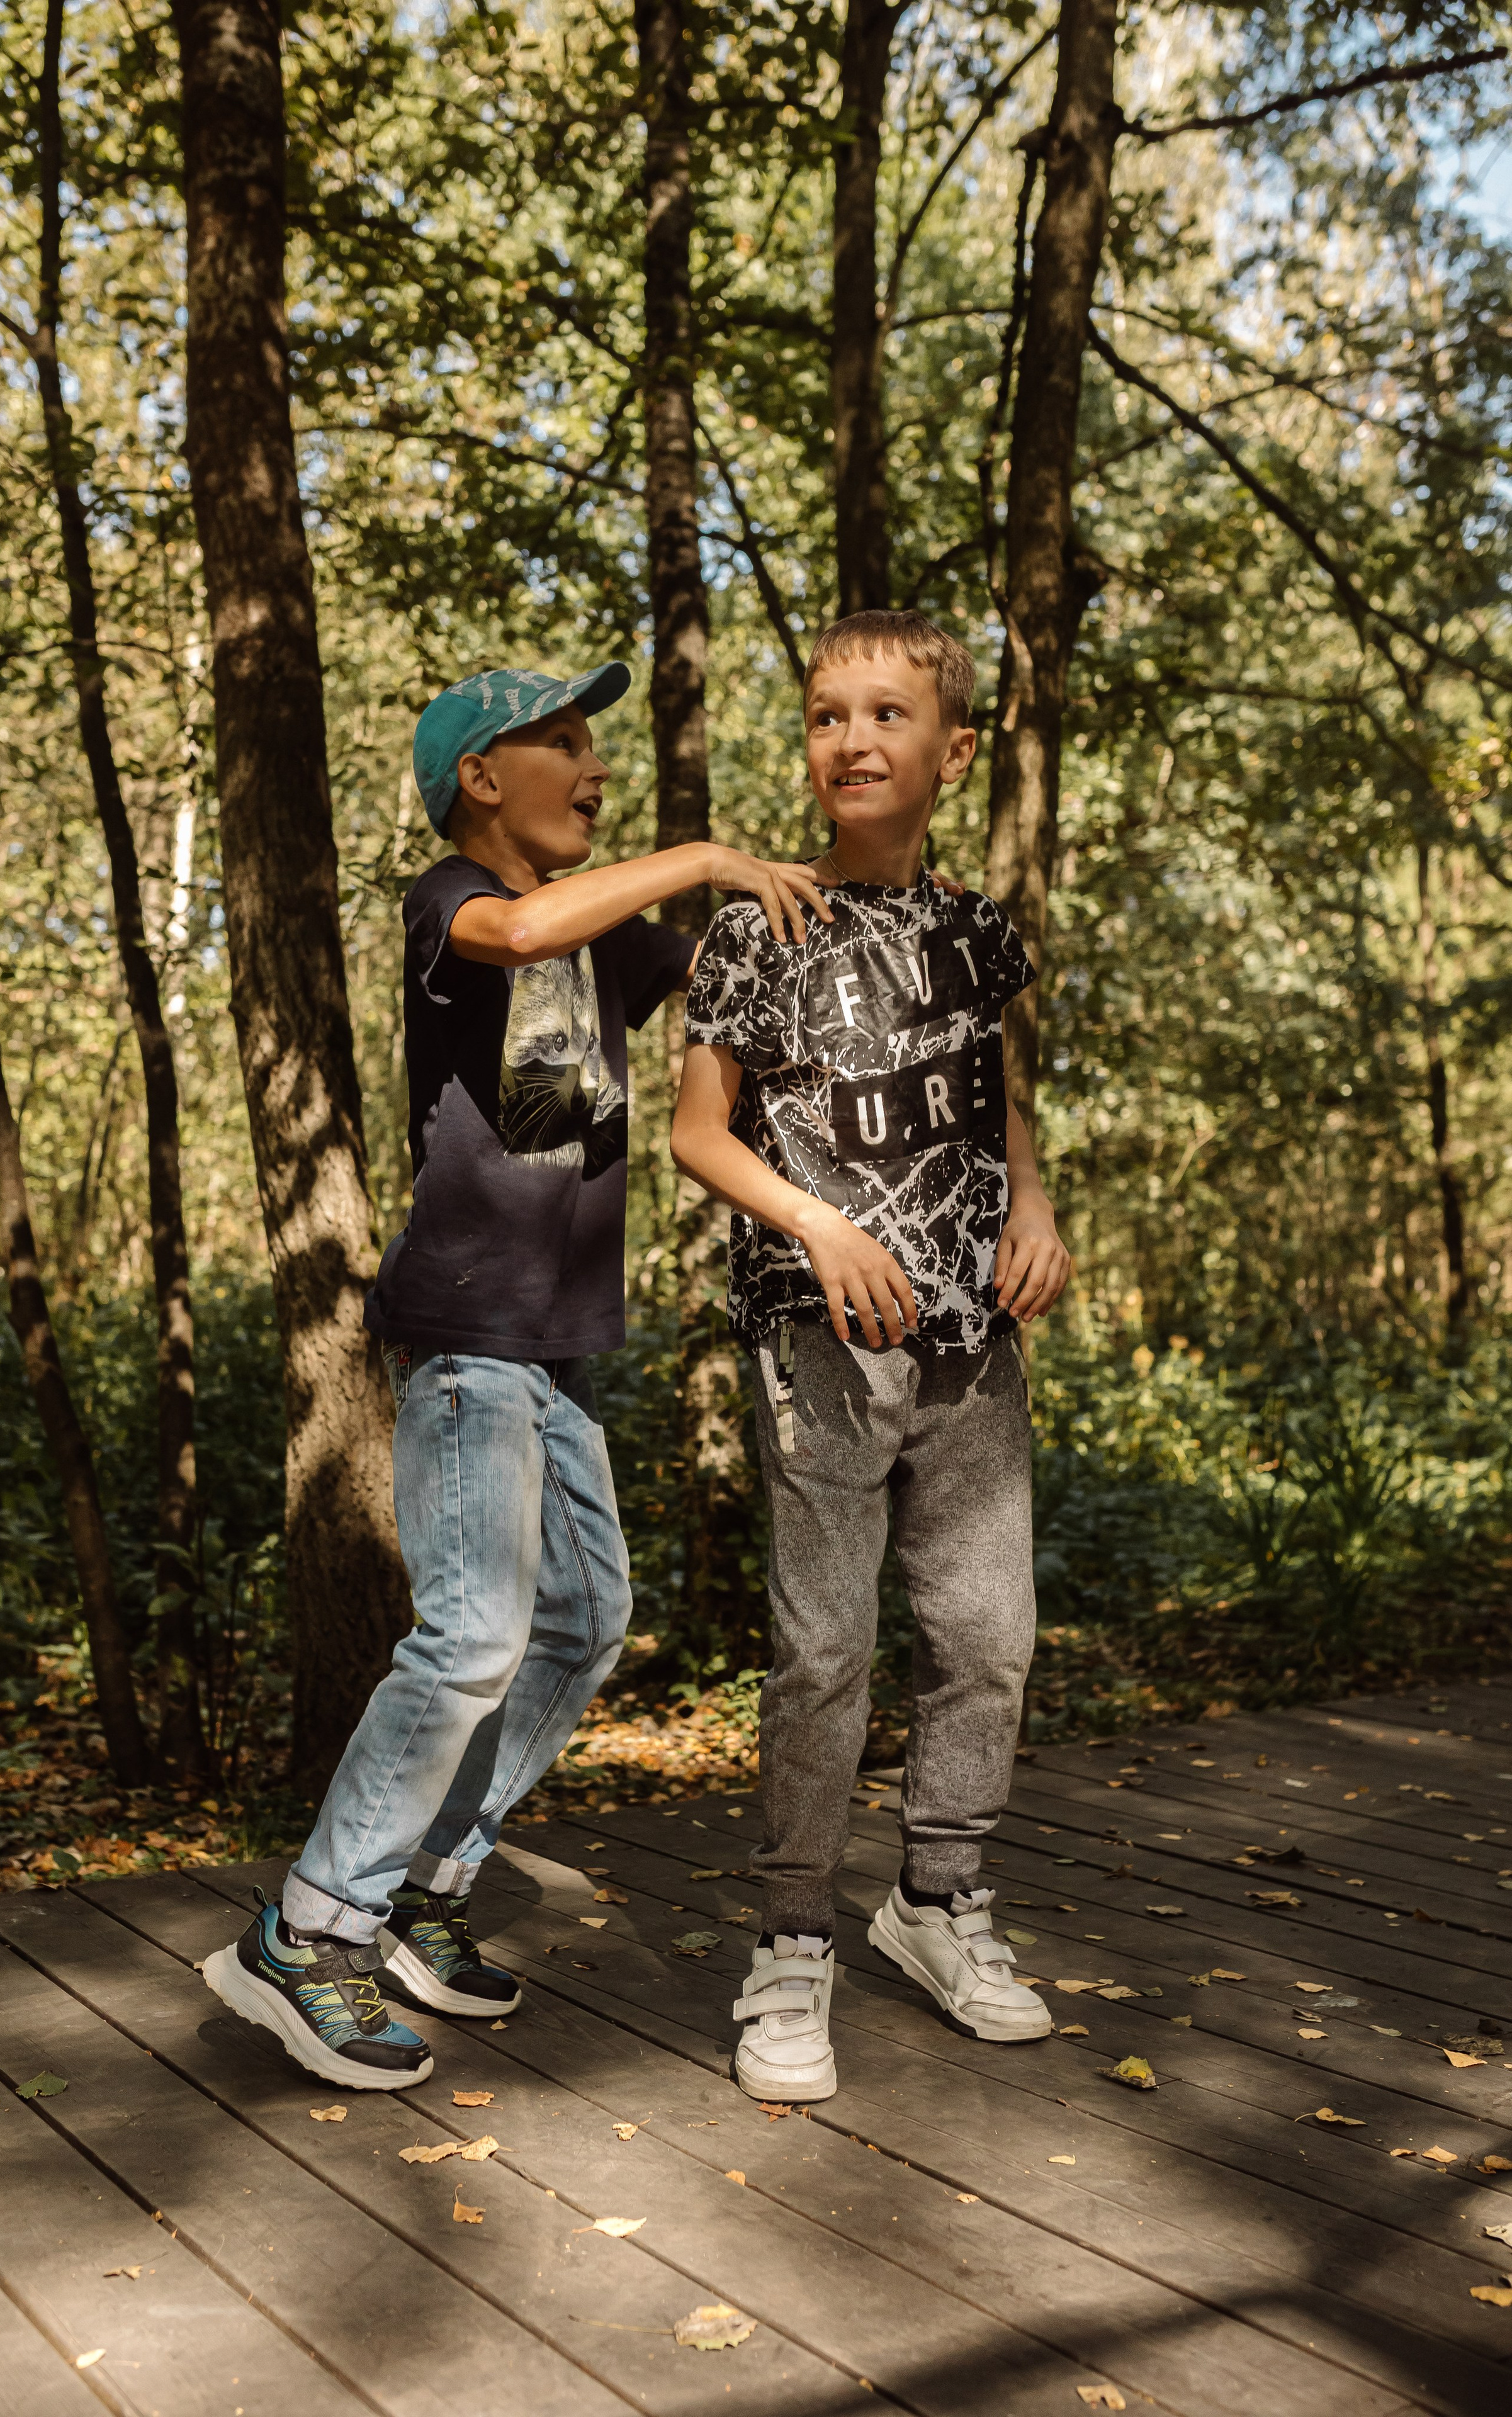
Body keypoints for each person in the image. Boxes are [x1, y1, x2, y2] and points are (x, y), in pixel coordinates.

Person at [204, 662, 831, 2089]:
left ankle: (422, 1888)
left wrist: (840, 909)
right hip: (466, 1339)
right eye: (563, 742)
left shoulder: (604, 944)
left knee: (582, 1625)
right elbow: (531, 922)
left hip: (553, 1360)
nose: (594, 761)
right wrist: (704, 856)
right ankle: (306, 1933)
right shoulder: (450, 903)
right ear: (482, 778)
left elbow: (739, 982)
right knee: (474, 1633)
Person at [671, 610, 1073, 2102]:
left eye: (886, 715)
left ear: (951, 751)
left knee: (984, 1637)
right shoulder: (753, 927)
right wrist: (815, 1228)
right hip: (819, 1342)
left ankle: (938, 1903)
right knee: (824, 1650)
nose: (851, 738)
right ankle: (790, 1941)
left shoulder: (975, 931)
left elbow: (997, 1097)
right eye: (827, 714)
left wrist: (1029, 1202)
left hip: (973, 1339)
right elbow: (696, 1131)